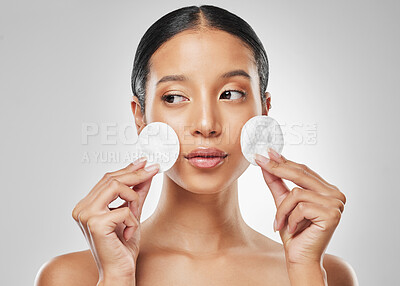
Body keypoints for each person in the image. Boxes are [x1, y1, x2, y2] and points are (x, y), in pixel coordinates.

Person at [35, 5, 358, 286]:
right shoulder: (70, 277)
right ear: (140, 118)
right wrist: (116, 278)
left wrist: (305, 272)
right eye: (174, 97)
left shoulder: (325, 273)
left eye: (230, 93)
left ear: (264, 111)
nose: (206, 125)